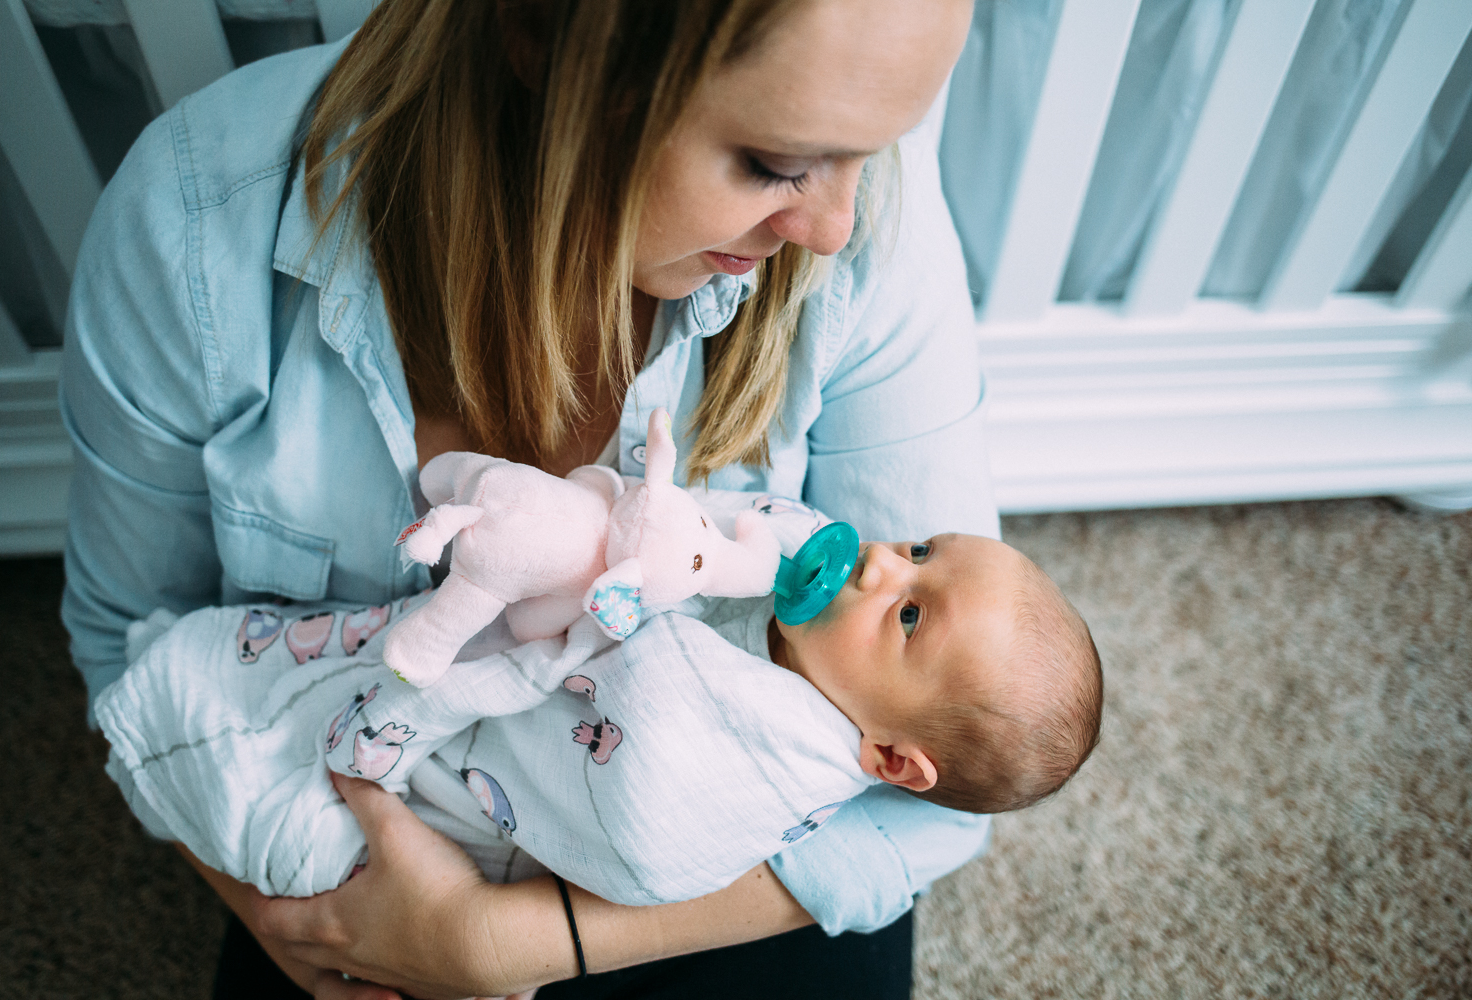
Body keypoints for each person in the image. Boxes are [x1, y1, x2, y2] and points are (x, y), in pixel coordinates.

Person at [60, 0, 998, 996]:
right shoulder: (197, 228)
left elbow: (948, 767)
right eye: (773, 163)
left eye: (873, 152)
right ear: (541, 40)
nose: (832, 227)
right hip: (367, 840)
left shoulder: (872, 230)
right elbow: (128, 644)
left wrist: (509, 943)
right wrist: (298, 917)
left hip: (722, 863)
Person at [98, 512, 1102, 905]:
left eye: (912, 611)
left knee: (290, 787)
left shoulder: (748, 745)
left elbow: (644, 771)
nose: (881, 559)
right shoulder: (826, 650)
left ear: (889, 758)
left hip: (482, 813)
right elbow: (715, 539)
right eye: (921, 547)